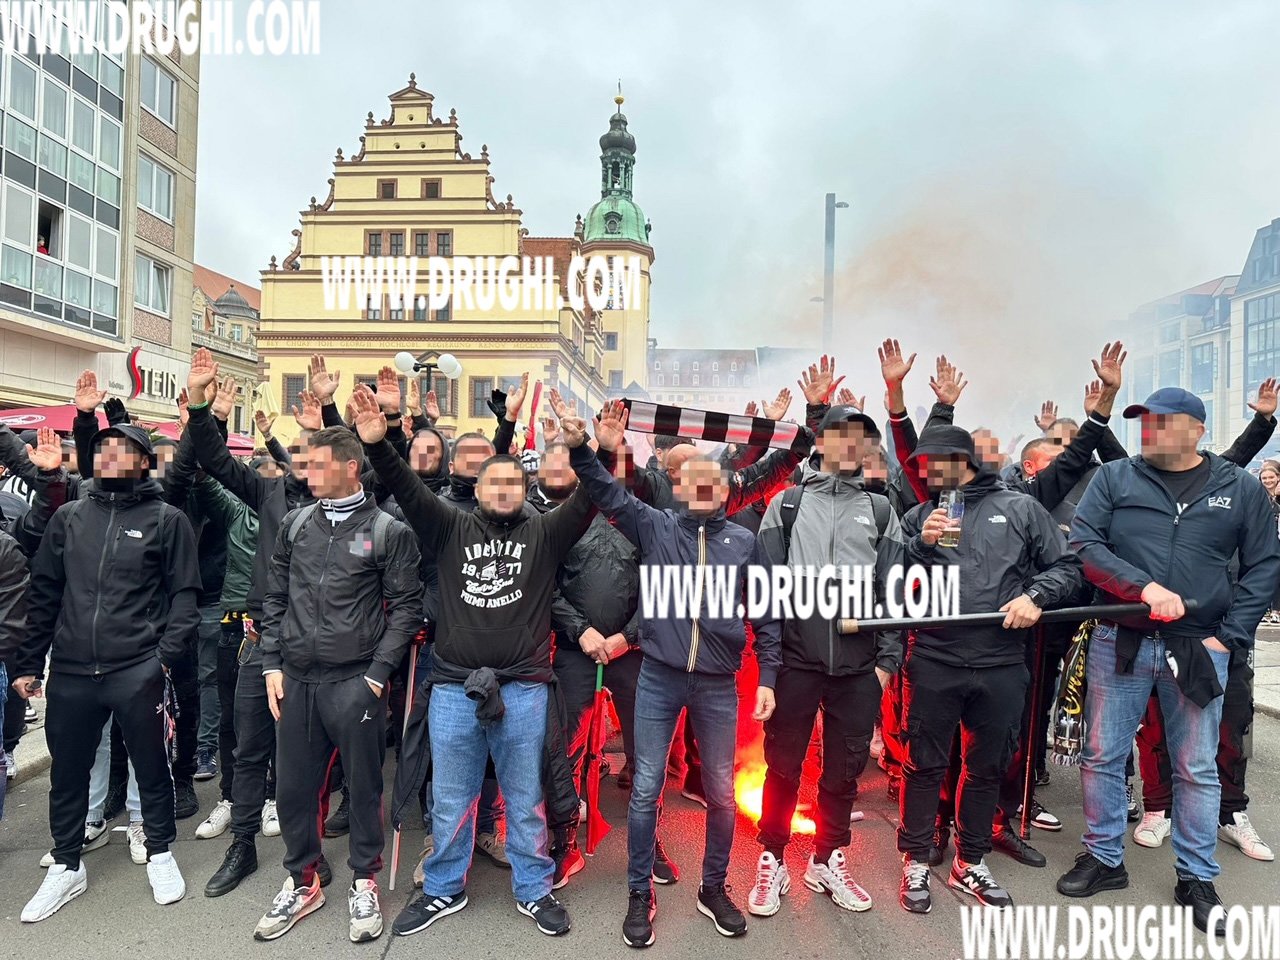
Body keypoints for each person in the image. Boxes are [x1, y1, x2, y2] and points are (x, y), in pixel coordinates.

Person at [356, 385, 591, 939]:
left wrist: (588, 451)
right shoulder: (449, 526)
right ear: (477, 489)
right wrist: (379, 444)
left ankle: (534, 888)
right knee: (451, 797)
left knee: (525, 799)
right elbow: (407, 488)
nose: (504, 490)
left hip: (524, 689)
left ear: (525, 490)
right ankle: (444, 887)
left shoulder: (546, 531)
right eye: (494, 482)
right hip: (453, 687)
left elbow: (593, 499)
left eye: (513, 483)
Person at [1059, 387, 1280, 936]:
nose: (1150, 430)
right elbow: (1085, 545)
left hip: (1200, 647)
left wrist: (1228, 638)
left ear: (1197, 430)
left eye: (1164, 421)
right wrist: (1143, 587)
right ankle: (1104, 857)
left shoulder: (1239, 487)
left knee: (1196, 766)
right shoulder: (1116, 478)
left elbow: (1264, 565)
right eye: (1145, 421)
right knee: (1102, 755)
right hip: (1121, 639)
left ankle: (1196, 877)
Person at [566, 400, 783, 949]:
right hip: (659, 677)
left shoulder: (744, 542)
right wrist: (588, 450)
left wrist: (768, 676)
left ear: (726, 490)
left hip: (717, 684)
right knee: (645, 789)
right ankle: (640, 891)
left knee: (722, 794)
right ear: (679, 488)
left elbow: (766, 612)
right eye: (693, 481)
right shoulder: (657, 526)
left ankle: (713, 887)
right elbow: (606, 491)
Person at [14, 423, 200, 922]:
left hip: (137, 667)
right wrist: (30, 662)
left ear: (144, 461)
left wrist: (162, 659)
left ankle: (160, 852)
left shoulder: (167, 519)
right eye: (104, 450)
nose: (112, 457)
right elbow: (45, 592)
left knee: (151, 765)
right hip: (72, 669)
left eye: (124, 450)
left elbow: (184, 597)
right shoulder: (70, 517)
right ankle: (66, 864)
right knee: (68, 772)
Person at [896, 425, 1084, 914]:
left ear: (964, 460)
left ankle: (971, 860)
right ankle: (915, 858)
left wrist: (1035, 596)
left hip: (1001, 660)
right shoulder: (921, 514)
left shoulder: (1020, 508)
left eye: (936, 463)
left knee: (986, 767)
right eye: (922, 465)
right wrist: (919, 546)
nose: (928, 472)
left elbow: (1068, 568)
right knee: (924, 763)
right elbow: (891, 585)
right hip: (934, 657)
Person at [251, 426, 421, 944]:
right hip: (296, 679)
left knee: (364, 787)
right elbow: (275, 596)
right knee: (294, 788)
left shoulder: (387, 530)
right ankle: (302, 881)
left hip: (355, 680)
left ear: (349, 467)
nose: (307, 473)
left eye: (318, 464)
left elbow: (407, 609)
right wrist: (271, 664)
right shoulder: (297, 523)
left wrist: (376, 676)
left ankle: (364, 880)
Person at [748, 405, 904, 918]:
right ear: (821, 441)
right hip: (796, 663)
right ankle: (772, 857)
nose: (849, 445)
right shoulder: (787, 505)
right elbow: (765, 593)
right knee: (783, 766)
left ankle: (827, 858)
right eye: (840, 434)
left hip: (860, 669)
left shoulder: (880, 511)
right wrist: (768, 669)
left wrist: (885, 666)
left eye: (860, 437)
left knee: (843, 773)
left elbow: (895, 595)